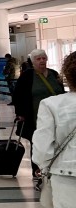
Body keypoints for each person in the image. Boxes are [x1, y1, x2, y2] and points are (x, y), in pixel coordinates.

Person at [32, 51, 76, 208]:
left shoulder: (51, 104)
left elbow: (41, 149)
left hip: (65, 180)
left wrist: (45, 167)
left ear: (66, 75)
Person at [13, 49, 64, 181]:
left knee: (56, 142)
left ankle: (54, 170)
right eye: (38, 59)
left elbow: (62, 92)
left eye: (43, 58)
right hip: (34, 117)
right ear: (33, 61)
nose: (42, 61)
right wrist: (20, 113)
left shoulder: (53, 74)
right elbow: (18, 95)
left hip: (56, 116)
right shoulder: (27, 76)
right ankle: (37, 171)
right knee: (37, 144)